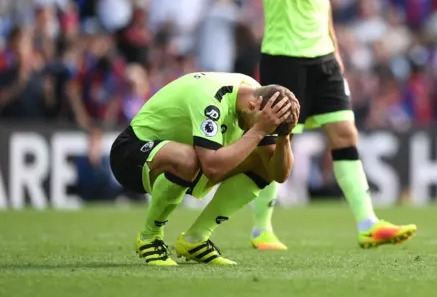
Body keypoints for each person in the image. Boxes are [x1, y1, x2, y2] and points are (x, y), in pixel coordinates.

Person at [254, 0, 416, 250]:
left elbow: (321, 0)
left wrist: (336, 48)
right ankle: (261, 228)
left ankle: (367, 223)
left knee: (345, 134)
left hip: (322, 55)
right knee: (277, 144)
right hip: (284, 55)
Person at [109, 71, 300, 266]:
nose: (268, 132)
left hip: (183, 161)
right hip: (131, 155)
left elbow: (279, 174)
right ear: (253, 106)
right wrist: (259, 130)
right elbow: (212, 167)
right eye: (269, 128)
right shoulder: (210, 99)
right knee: (187, 159)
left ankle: (196, 239)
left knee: (263, 161)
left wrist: (285, 136)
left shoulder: (256, 98)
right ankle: (150, 237)